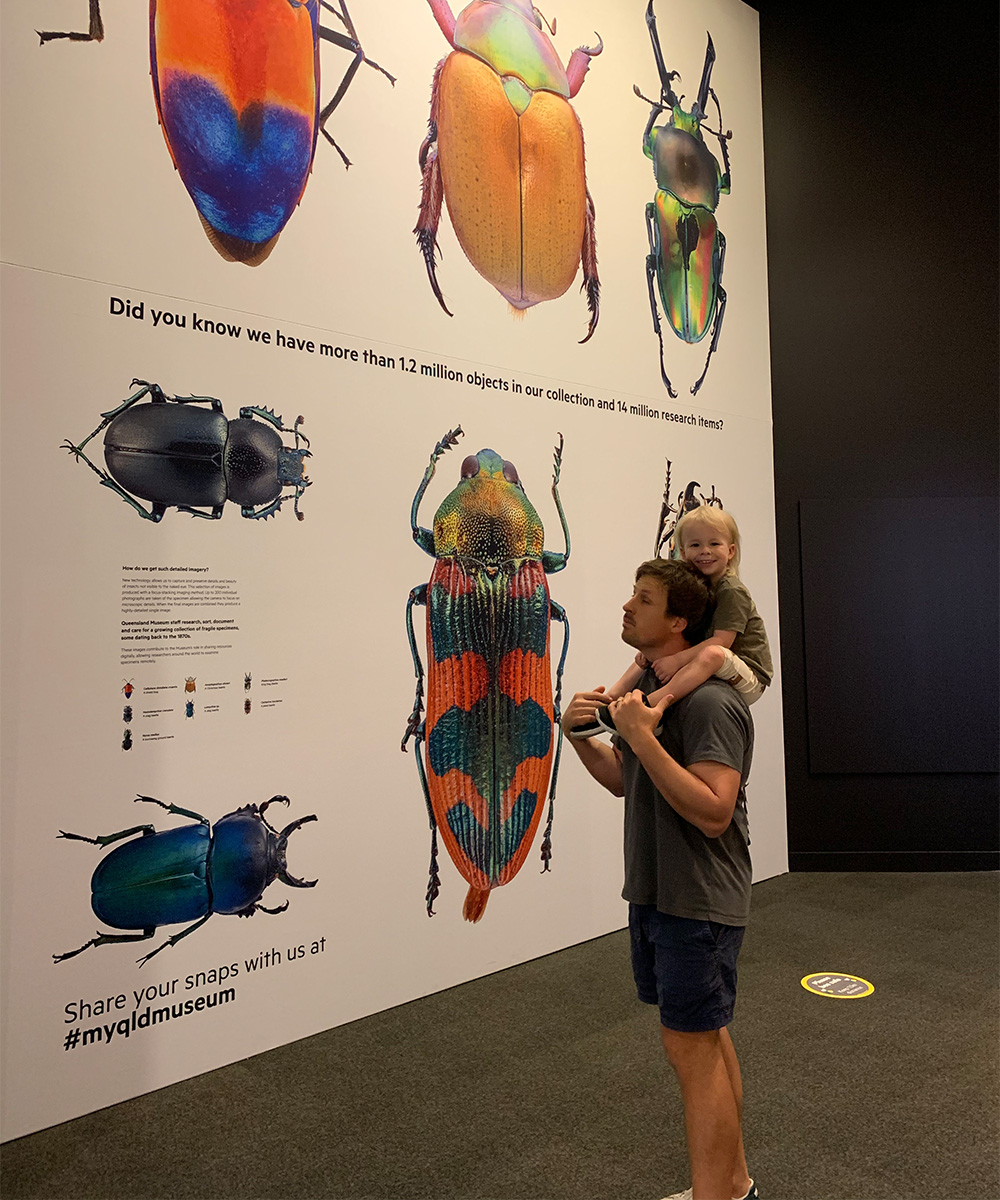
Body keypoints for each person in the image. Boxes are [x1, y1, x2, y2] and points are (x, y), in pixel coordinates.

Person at [562, 558, 757, 1200]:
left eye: (642, 600)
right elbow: (628, 781)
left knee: (692, 1050)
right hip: (657, 891)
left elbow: (714, 811)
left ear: (678, 621)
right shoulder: (649, 700)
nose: (626, 607)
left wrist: (643, 741)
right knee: (703, 1039)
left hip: (698, 899)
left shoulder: (710, 702)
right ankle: (734, 1188)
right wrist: (581, 739)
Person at [570, 505, 772, 738]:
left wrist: (677, 660)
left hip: (750, 674)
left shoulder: (731, 590)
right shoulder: (705, 587)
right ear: (683, 552)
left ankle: (652, 705)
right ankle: (607, 702)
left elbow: (722, 642)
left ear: (731, 550)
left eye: (714, 544)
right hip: (718, 663)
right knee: (648, 655)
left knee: (713, 654)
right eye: (695, 545)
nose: (705, 551)